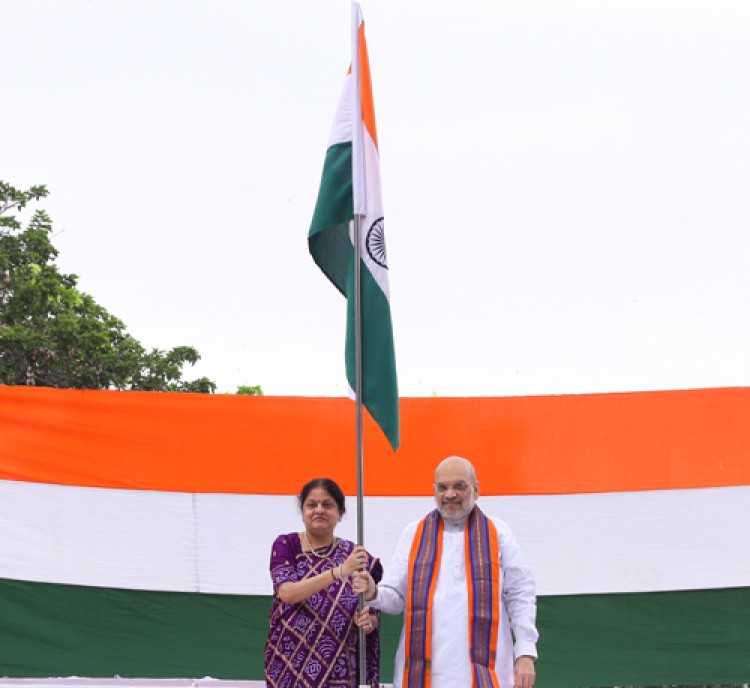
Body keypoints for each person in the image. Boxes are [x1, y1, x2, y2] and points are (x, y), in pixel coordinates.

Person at [352, 456, 538, 688]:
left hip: (488, 671)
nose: (450, 494)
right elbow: (395, 598)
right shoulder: (414, 532)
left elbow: (521, 594)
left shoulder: (497, 532)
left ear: (476, 489)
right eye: (443, 487)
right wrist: (373, 593)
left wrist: (525, 653)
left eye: (459, 486)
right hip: (424, 674)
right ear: (434, 491)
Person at [264, 477, 383, 688]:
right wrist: (338, 572)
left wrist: (368, 622)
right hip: (290, 667)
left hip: (340, 669)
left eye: (327, 505)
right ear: (302, 512)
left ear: (340, 513)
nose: (319, 510)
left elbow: (371, 612)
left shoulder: (356, 557)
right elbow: (288, 594)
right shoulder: (287, 545)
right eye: (312, 504)